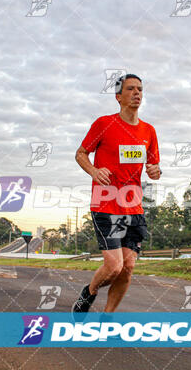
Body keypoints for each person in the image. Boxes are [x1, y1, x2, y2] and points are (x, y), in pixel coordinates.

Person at [73, 74, 161, 314]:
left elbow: (154, 169)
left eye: (140, 89)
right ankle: (88, 292)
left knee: (128, 267)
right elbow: (81, 153)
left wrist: (155, 171)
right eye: (131, 89)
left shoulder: (149, 131)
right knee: (114, 266)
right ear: (118, 96)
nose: (137, 93)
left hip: (134, 207)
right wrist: (93, 170)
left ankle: (108, 317)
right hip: (106, 204)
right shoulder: (104, 124)